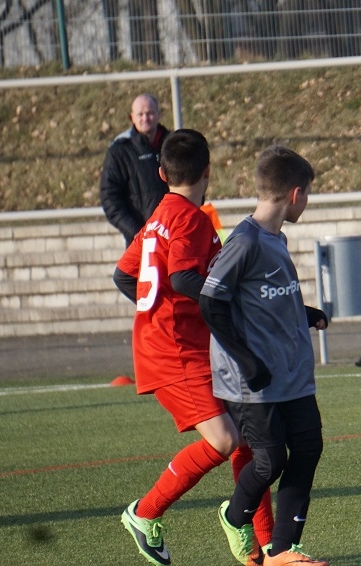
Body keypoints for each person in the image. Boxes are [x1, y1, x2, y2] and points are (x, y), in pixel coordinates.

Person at [114, 129, 273, 566]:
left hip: (185, 345)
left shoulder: (159, 216)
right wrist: (211, 304)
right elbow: (183, 278)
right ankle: (145, 513)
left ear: (162, 174)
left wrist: (158, 310)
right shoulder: (190, 219)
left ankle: (266, 546)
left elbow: (124, 275)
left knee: (247, 438)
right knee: (223, 440)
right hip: (175, 351)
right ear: (208, 171)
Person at [200, 145, 330, 566]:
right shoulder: (245, 241)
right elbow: (211, 303)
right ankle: (233, 515)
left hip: (290, 373)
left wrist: (305, 313)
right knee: (271, 460)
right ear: (295, 194)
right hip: (251, 379)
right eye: (307, 194)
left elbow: (262, 298)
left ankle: (283, 549)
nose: (306, 202)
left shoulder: (276, 238)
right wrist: (246, 360)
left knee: (308, 448)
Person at [101, 93, 171, 244]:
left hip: (175, 236)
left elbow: (191, 181)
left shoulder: (173, 145)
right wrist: (137, 232)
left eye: (150, 113)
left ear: (158, 114)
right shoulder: (120, 151)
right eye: (140, 114)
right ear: (132, 117)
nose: (145, 118)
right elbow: (110, 198)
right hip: (141, 243)